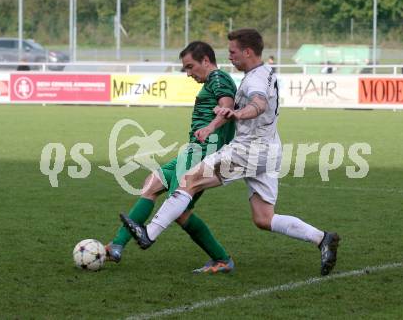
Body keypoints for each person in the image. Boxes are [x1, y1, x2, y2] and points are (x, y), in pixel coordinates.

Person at [121, 29, 340, 276]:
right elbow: (236, 109)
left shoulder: (255, 81)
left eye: (233, 52)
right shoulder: (264, 73)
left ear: (247, 52)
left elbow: (258, 105)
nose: (230, 57)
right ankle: (322, 238)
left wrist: (239, 113)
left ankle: (149, 234)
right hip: (269, 150)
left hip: (248, 150)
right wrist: (212, 126)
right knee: (264, 218)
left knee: (188, 181)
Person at [106, 41, 238, 274]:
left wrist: (211, 127)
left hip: (204, 151)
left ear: (206, 60)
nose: (188, 73)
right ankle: (116, 245)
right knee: (153, 183)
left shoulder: (218, 78)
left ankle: (222, 259)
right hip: (192, 150)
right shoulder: (212, 81)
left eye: (190, 67)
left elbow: (227, 106)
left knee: (180, 211)